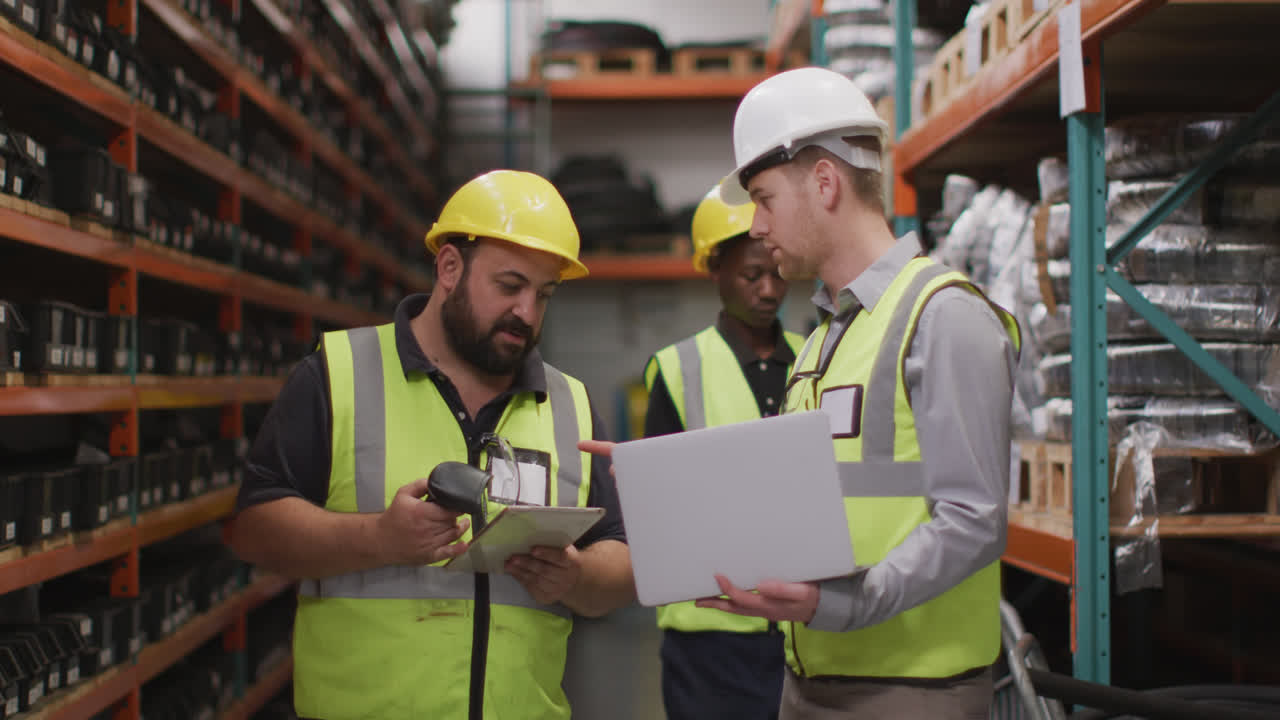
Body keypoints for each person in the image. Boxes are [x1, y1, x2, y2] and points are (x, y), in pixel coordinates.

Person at [583, 67, 1020, 719]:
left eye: (764, 199)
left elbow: (973, 520)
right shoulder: (823, 343)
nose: (757, 225)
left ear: (824, 182)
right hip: (810, 681)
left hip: (909, 692)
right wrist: (670, 487)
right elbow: (816, 499)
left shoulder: (942, 317)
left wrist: (844, 604)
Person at [227, 170, 636, 720]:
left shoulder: (571, 404)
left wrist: (578, 577)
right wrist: (377, 537)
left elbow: (623, 560)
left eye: (544, 295)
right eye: (509, 286)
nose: (527, 314)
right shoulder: (342, 374)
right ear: (449, 267)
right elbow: (252, 531)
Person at [642, 186, 804, 720]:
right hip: (709, 637)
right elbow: (659, 511)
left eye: (775, 273)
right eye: (749, 275)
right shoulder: (675, 368)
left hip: (803, 627)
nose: (767, 289)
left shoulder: (817, 355)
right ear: (716, 270)